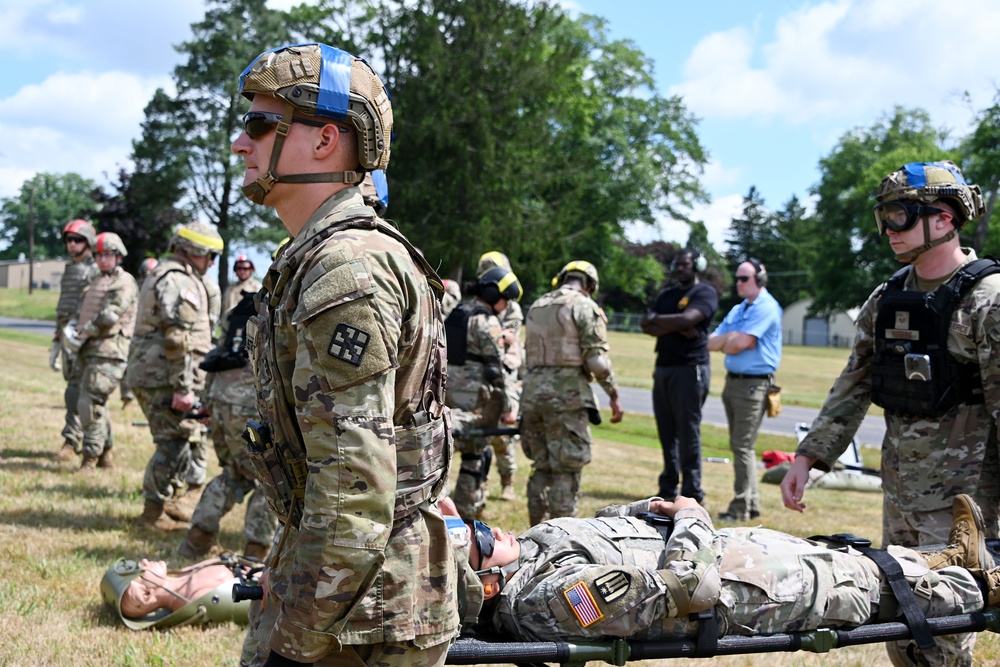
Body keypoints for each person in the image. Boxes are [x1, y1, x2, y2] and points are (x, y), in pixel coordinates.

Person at [232, 42, 460, 666]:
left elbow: (353, 484)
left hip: (362, 620)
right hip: (346, 592)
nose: (240, 143)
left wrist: (297, 640)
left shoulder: (345, 270)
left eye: (259, 125)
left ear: (326, 140)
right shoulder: (320, 255)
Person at [780, 160, 1000, 667]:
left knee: (942, 633)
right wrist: (808, 458)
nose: (888, 230)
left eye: (900, 216)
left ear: (944, 219)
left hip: (963, 506)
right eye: (884, 217)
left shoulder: (987, 302)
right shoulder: (888, 298)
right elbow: (854, 382)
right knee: (898, 622)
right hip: (900, 491)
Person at [455, 494, 1000, 648]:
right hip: (749, 591)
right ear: (484, 585)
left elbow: (593, 529)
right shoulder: (549, 600)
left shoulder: (526, 552)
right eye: (479, 538)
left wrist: (648, 509)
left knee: (858, 562)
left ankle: (948, 563)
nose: (489, 528)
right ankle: (979, 586)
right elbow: (687, 588)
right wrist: (692, 519)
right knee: (859, 586)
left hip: (736, 553)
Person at [127, 221, 224, 532]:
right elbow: (176, 338)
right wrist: (183, 388)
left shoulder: (170, 274)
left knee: (178, 440)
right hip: (163, 378)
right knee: (173, 443)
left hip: (158, 374)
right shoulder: (178, 280)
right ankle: (152, 514)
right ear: (195, 252)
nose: (211, 263)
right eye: (211, 256)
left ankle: (164, 506)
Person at [521, 260, 624, 525]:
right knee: (566, 468)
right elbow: (597, 362)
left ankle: (535, 529)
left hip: (532, 395)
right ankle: (561, 536)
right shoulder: (584, 306)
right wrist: (613, 392)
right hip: (567, 396)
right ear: (590, 284)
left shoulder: (537, 305)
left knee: (542, 466)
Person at [178, 289, 277, 562]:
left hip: (222, 401)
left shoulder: (243, 307)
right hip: (249, 407)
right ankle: (256, 554)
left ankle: (197, 541)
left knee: (235, 473)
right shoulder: (281, 306)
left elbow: (217, 351)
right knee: (271, 479)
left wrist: (209, 402)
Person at [707, 258, 782, 523]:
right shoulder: (740, 309)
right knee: (742, 447)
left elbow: (741, 342)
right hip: (733, 382)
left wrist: (733, 340)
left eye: (744, 279)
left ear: (759, 280)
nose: (738, 283)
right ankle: (753, 505)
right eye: (737, 278)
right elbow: (712, 342)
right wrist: (732, 339)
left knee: (742, 446)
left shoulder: (767, 308)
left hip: (753, 384)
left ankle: (740, 508)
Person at [641, 248, 717, 503]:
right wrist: (675, 324)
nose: (679, 268)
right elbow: (645, 324)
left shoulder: (704, 293)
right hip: (663, 367)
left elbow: (688, 319)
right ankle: (668, 486)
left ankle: (692, 490)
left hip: (690, 368)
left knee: (688, 430)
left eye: (685, 264)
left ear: (697, 265)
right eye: (677, 264)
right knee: (666, 429)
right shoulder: (667, 295)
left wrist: (659, 321)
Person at [445, 266, 522, 518]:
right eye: (505, 299)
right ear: (492, 294)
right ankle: (466, 514)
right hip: (474, 402)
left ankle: (438, 510)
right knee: (474, 458)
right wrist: (510, 407)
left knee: (440, 457)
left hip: (446, 397)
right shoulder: (487, 321)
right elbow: (495, 369)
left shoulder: (456, 313)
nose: (506, 305)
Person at [59, 232, 139, 472]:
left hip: (109, 351)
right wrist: (74, 328)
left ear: (118, 256)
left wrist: (86, 329)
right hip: (89, 348)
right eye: (98, 255)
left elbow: (110, 314)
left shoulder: (124, 282)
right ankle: (105, 455)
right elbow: (84, 308)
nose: (102, 259)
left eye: (107, 255)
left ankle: (89, 457)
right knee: (91, 403)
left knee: (89, 402)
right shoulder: (96, 279)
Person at [101, 554, 260, 630]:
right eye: (140, 571)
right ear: (146, 595)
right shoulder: (196, 597)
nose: (143, 561)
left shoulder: (183, 576)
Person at [477, 251, 525, 502]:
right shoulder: (478, 303)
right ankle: (481, 483)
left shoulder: (512, 308)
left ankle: (508, 481)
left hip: (506, 372)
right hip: (482, 374)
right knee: (480, 435)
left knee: (504, 436)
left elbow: (508, 341)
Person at [52, 219, 101, 462]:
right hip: (67, 336)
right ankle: (100, 446)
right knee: (74, 390)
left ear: (89, 242)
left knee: (81, 392)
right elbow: (64, 307)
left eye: (77, 240)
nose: (71, 244)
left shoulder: (96, 270)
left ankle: (72, 441)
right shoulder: (70, 269)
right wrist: (57, 337)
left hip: (87, 339)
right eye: (68, 240)